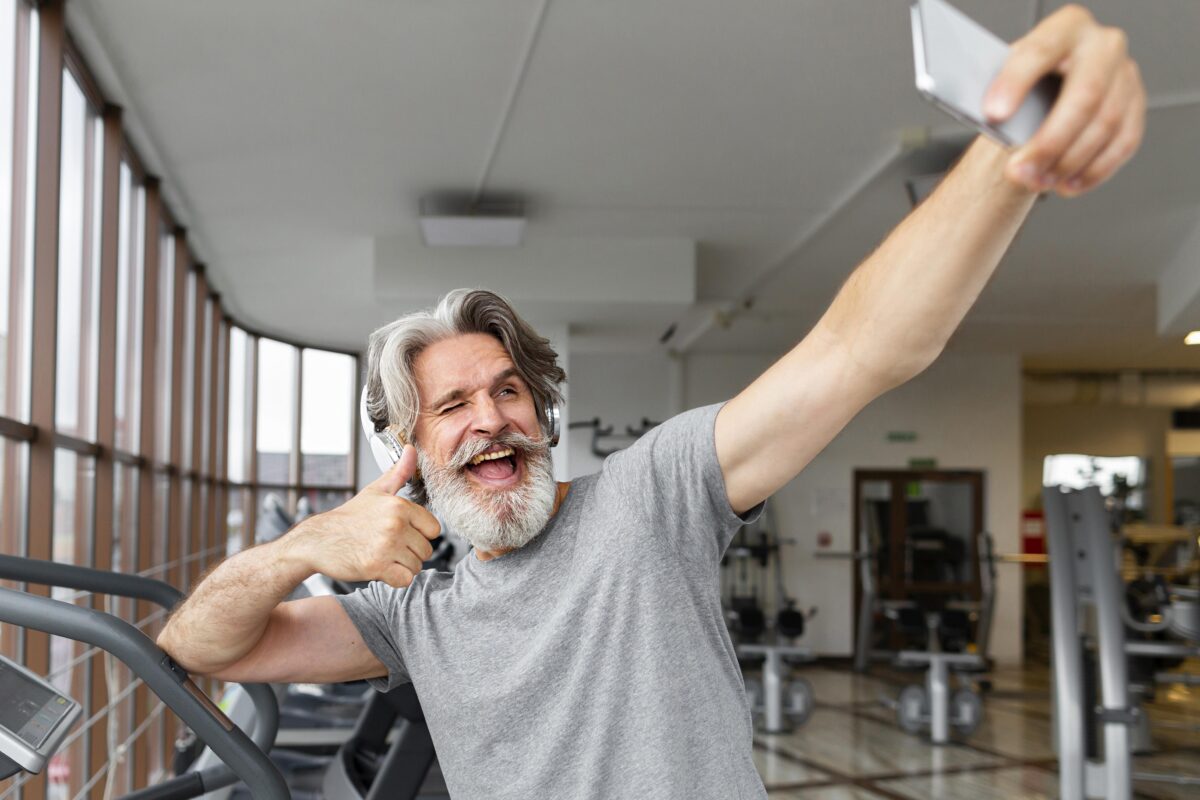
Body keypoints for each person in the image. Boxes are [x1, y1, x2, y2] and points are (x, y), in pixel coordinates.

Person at [158, 6, 1145, 798]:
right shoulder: (412, 613)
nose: (491, 414)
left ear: (542, 416)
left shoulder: (648, 495)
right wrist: (302, 546)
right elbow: (199, 645)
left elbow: (861, 349)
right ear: (410, 446)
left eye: (508, 389)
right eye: (452, 403)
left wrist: (1014, 156)